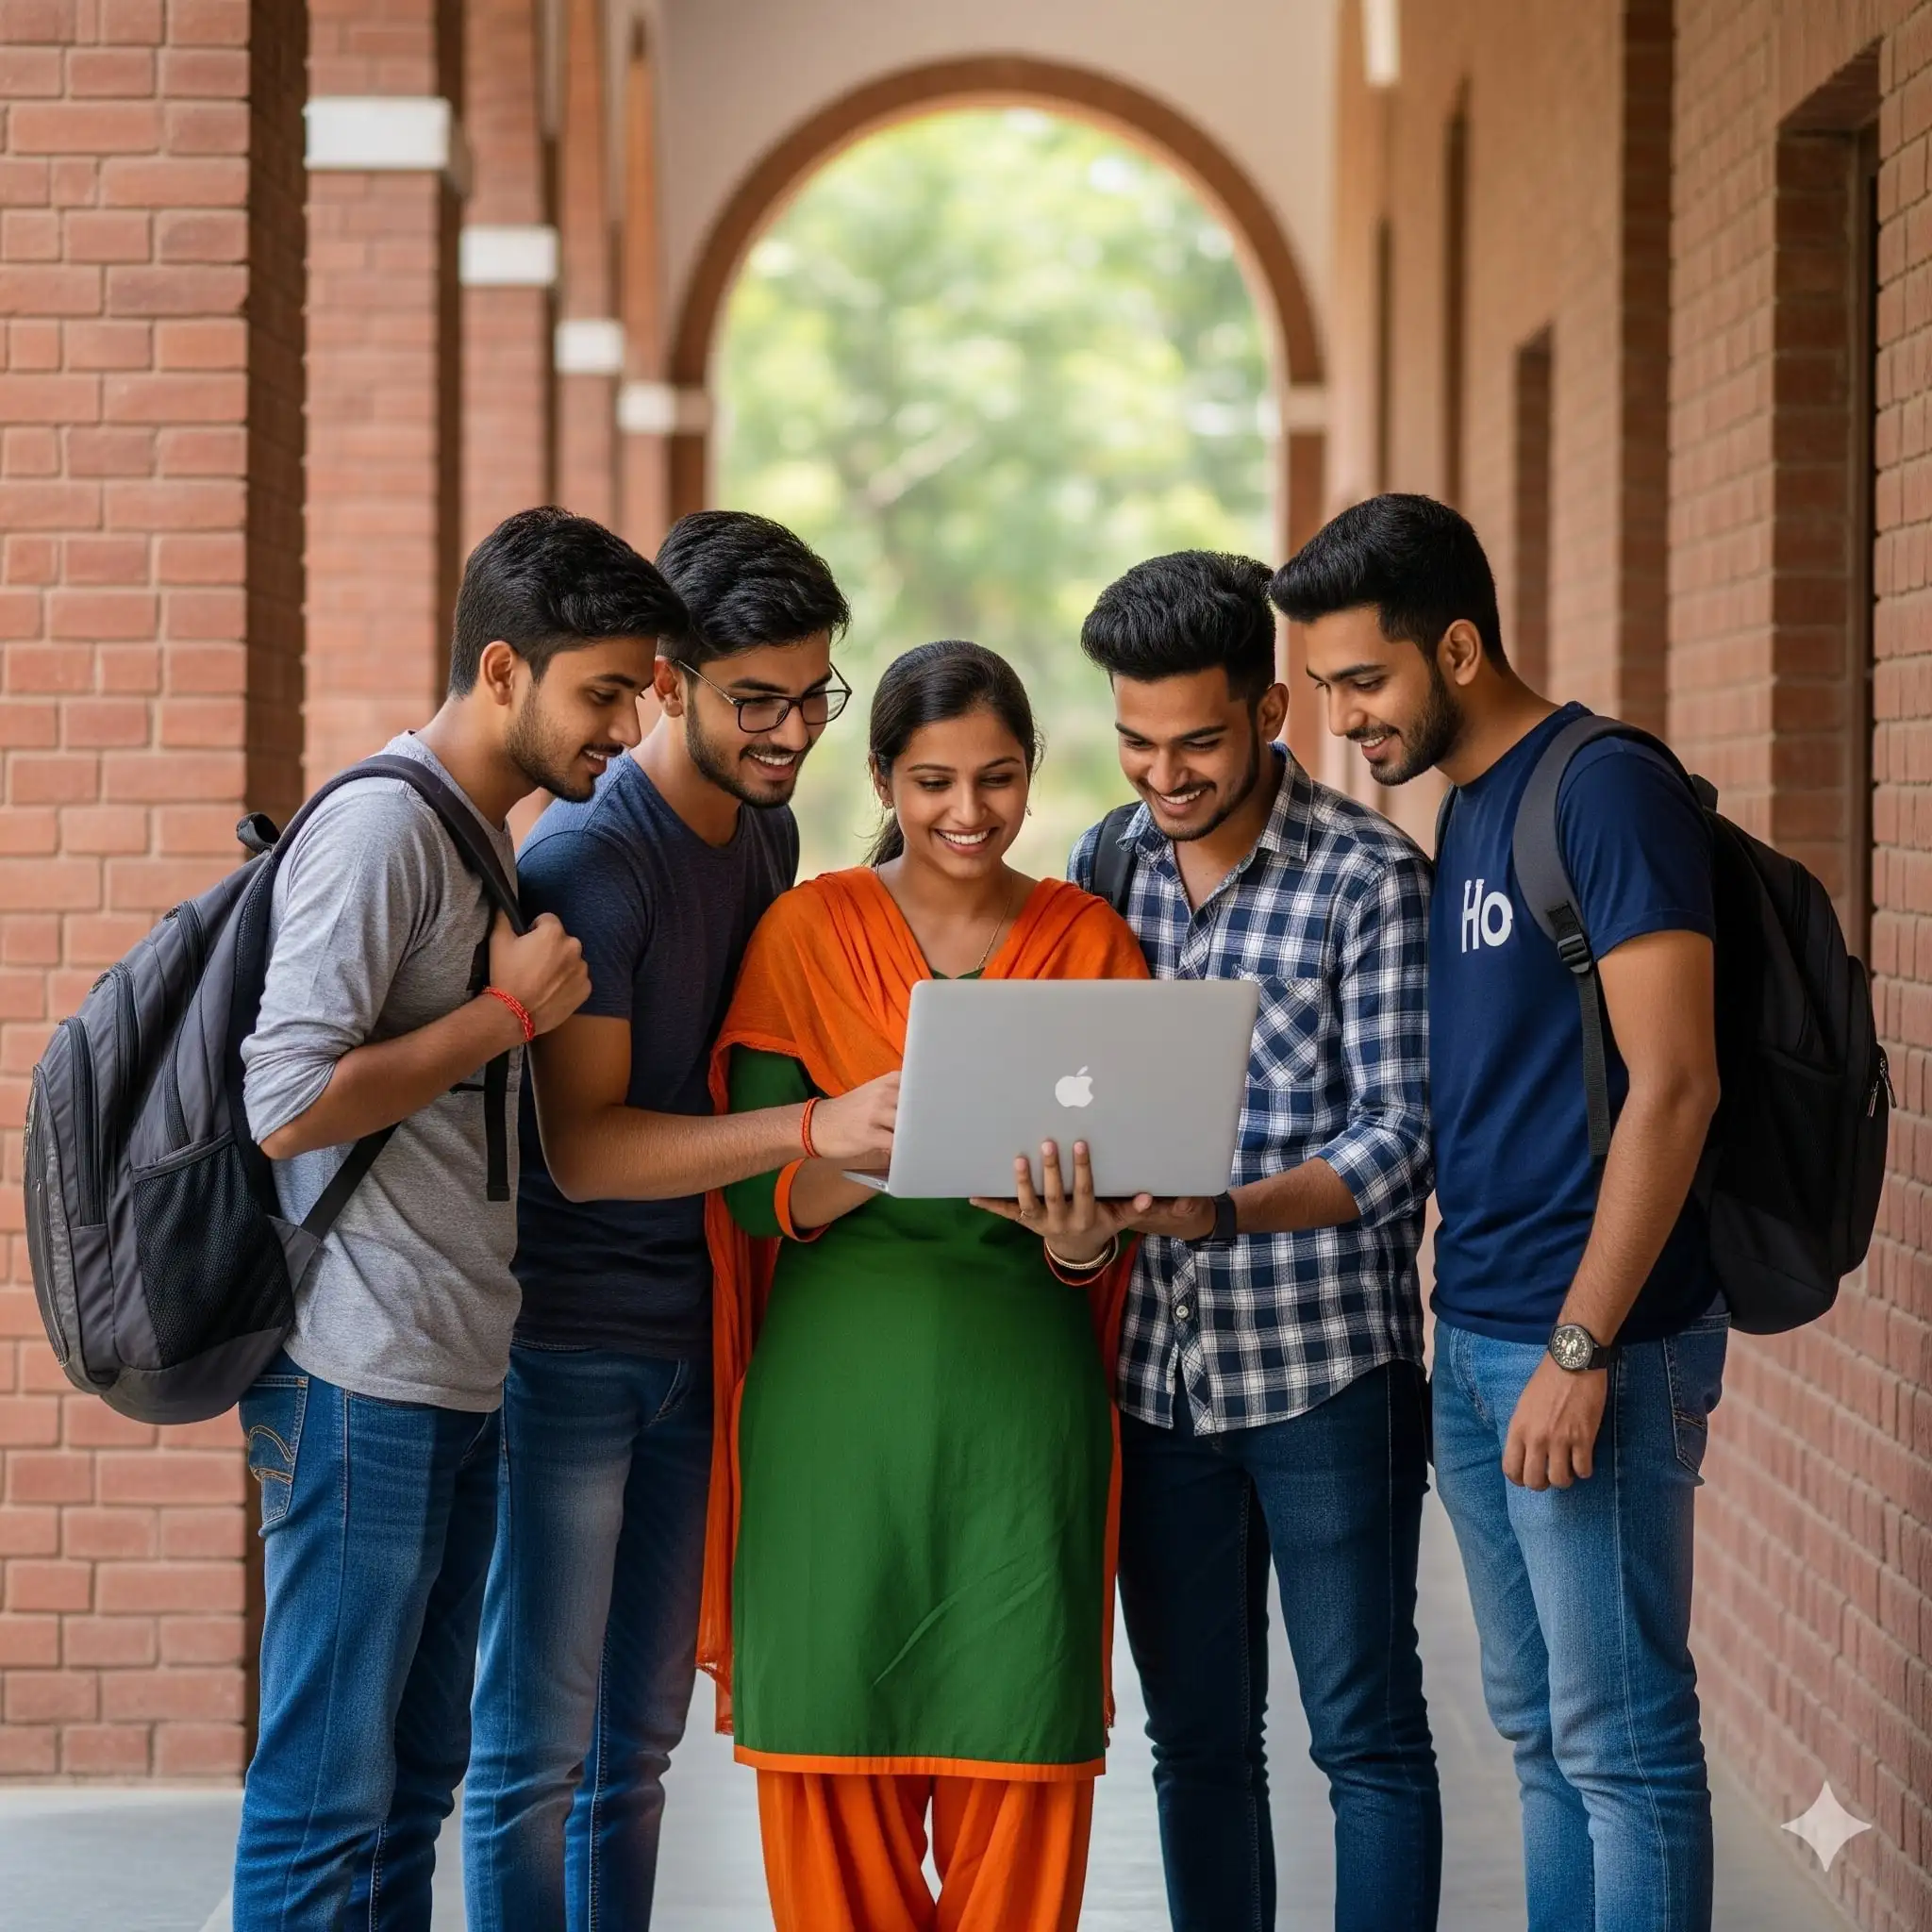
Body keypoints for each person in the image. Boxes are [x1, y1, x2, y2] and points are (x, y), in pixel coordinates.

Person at [1277, 493, 1727, 1932]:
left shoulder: (1602, 788)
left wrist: (1582, 1351)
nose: (1342, 719)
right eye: (1327, 687)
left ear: (1457, 647)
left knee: (1622, 1742)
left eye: (1364, 681)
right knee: (1538, 1737)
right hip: (1473, 1338)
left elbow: (1677, 1086)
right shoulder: (1470, 806)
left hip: (1589, 1339)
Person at [230, 508, 676, 1930]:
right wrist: (508, 1015)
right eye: (603, 691)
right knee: (321, 1807)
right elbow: (286, 1099)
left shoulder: (475, 834)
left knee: (413, 1790)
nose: (626, 723)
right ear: (502, 669)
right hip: (358, 1375)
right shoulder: (381, 829)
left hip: (448, 1372)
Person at [462, 511, 899, 1932]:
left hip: (701, 1339)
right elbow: (584, 1153)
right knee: (536, 1754)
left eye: (812, 695)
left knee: (637, 1755)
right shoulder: (599, 859)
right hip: (573, 1354)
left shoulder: (762, 837)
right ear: (667, 681)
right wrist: (807, 1131)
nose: (790, 733)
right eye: (753, 700)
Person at [705, 641, 1151, 1932]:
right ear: (885, 775)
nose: (970, 813)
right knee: (831, 1756)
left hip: (1023, 1411)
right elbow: (752, 1197)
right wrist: (852, 1141)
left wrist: (1078, 1237)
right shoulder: (806, 933)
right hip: (833, 1418)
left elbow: (1107, 1231)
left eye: (1000, 780)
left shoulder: (1087, 939)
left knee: (1021, 1749)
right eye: (935, 781)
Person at [1069, 550, 1440, 1932]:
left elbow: (1403, 1140)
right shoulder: (1102, 866)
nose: (1163, 776)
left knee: (1367, 1741)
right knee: (1201, 1749)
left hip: (1329, 1379)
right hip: (1156, 1387)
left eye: (1198, 743)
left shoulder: (1368, 879)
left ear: (1271, 713)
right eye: (1135, 742)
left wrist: (1223, 1206)